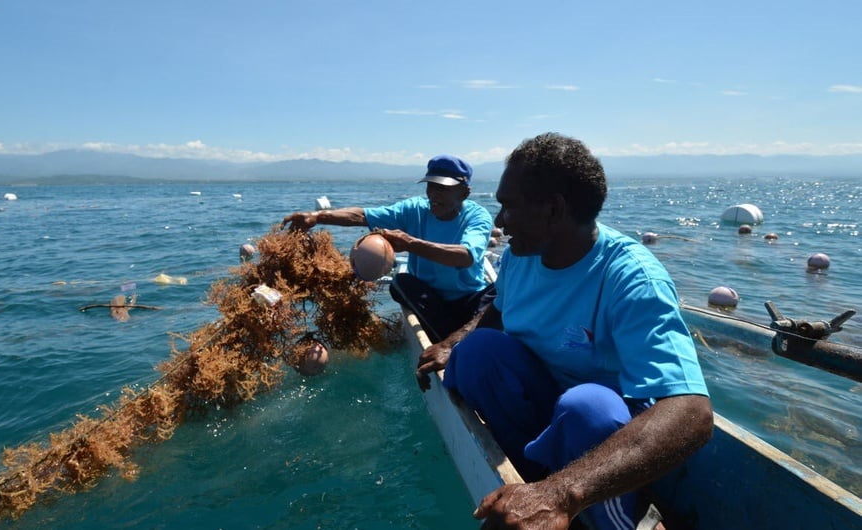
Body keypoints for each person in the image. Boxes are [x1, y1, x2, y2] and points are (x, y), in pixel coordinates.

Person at [416, 133, 713, 530]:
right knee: (477, 352)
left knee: (586, 408)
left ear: (553, 210)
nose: (500, 221)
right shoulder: (519, 257)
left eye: (509, 206)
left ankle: (622, 517)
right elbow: (497, 312)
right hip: (546, 409)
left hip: (605, 433)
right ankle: (526, 486)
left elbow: (693, 413)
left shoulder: (631, 277)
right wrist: (453, 343)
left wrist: (561, 495)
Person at [281, 155, 496, 342]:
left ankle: (451, 339)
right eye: (431, 186)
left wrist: (410, 243)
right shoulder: (415, 209)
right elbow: (362, 216)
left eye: (443, 188)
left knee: (499, 293)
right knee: (400, 283)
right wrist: (317, 217)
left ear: (464, 192)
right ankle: (454, 341)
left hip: (468, 297)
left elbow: (466, 257)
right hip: (429, 298)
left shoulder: (477, 217)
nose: (434, 194)